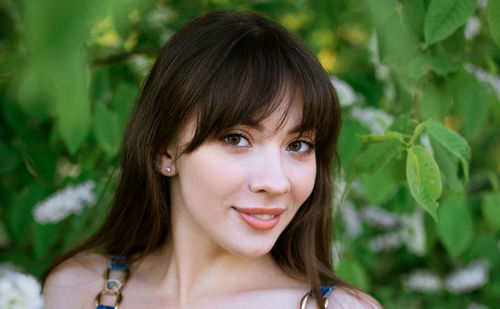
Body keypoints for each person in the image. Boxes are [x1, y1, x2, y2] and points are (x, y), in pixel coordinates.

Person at [42, 10, 381, 308]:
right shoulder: (75, 291)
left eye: (298, 145)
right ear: (164, 150)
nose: (276, 183)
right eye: (236, 139)